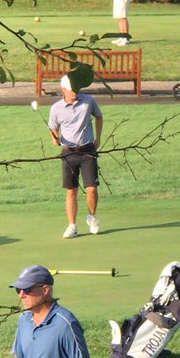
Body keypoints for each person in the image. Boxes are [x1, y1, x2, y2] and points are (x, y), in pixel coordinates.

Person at [48, 75, 103, 238]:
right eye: (72, 90)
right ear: (63, 90)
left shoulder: (88, 102)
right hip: (69, 153)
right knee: (71, 191)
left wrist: (98, 139)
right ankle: (72, 226)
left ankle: (92, 217)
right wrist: (55, 139)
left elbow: (99, 116)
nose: (75, 93)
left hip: (87, 151)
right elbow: (53, 128)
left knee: (92, 189)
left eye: (77, 89)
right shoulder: (56, 108)